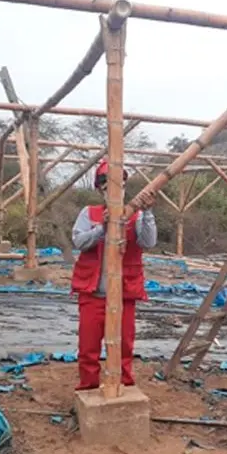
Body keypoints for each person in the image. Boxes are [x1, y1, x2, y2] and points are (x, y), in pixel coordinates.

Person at [71, 159, 157, 390]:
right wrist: (102, 228)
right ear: (100, 188)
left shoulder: (136, 215)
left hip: (124, 294)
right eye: (107, 183)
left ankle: (123, 387)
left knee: (124, 347)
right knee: (88, 348)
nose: (114, 188)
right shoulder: (89, 214)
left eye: (119, 182)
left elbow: (148, 241)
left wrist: (147, 213)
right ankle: (88, 387)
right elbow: (79, 241)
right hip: (93, 294)